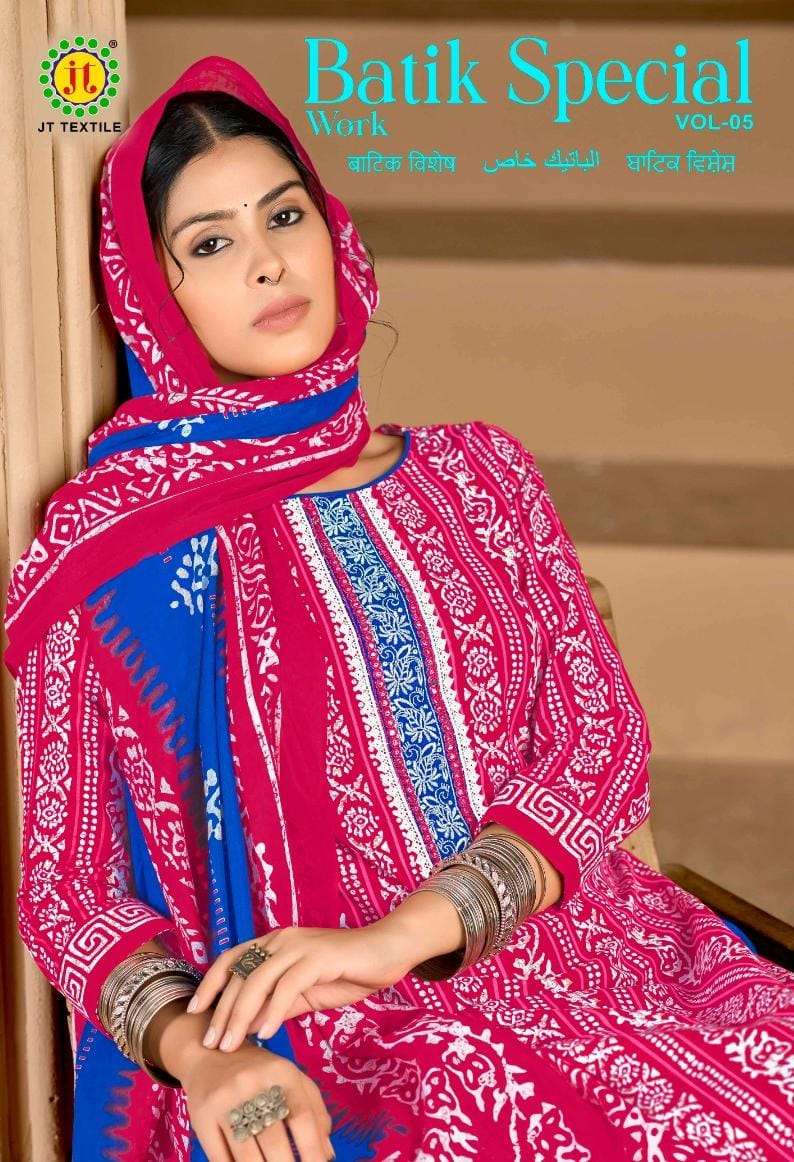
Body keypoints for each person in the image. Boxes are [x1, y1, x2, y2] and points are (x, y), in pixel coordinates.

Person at [5, 55, 794, 1162]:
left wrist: (399, 936)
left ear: (333, 232)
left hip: (599, 958)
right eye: (211, 244)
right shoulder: (114, 546)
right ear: (151, 297)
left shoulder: (480, 473)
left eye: (285, 215)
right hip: (325, 1034)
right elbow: (68, 886)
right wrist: (204, 1056)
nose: (270, 260)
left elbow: (599, 741)